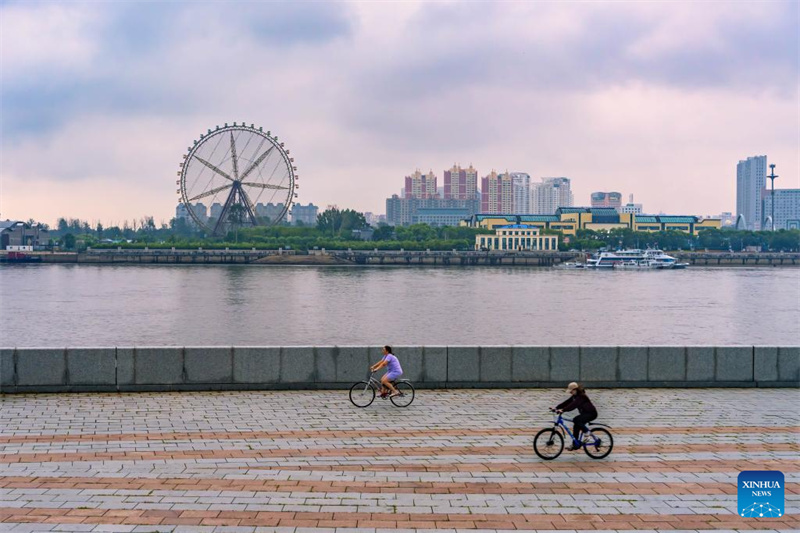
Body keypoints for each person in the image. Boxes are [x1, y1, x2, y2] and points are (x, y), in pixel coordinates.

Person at [554, 382, 598, 450]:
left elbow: (573, 405)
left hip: (591, 413)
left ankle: (587, 432)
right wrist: (556, 408)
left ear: (575, 390)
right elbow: (567, 402)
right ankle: (575, 444)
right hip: (585, 414)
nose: (570, 393)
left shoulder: (581, 396)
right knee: (576, 425)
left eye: (571, 391)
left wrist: (563, 410)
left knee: (576, 419)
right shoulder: (575, 396)